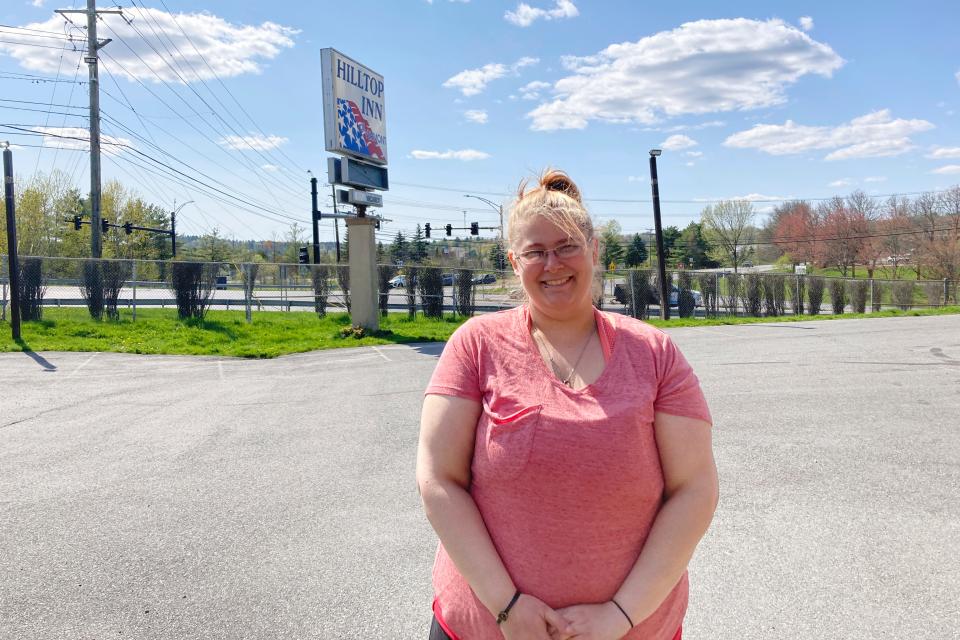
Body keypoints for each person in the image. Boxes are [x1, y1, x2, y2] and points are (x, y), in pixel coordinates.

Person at [415, 170, 718, 640]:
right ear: (515, 262)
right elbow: (438, 479)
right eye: (535, 252)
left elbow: (694, 489)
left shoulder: (655, 354)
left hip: (632, 630)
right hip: (483, 628)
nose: (552, 263)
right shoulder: (475, 345)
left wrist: (621, 614)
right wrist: (506, 607)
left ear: (596, 250)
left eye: (567, 246)